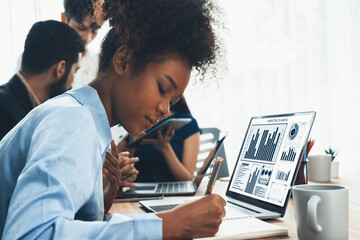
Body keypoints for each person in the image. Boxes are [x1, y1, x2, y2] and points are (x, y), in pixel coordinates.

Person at [0, 0, 225, 239]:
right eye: (162, 88)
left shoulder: (86, 120)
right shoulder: (73, 121)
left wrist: (100, 203)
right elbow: (31, 234)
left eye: (172, 101)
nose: (165, 111)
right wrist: (168, 225)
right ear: (123, 61)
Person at [0, 20, 84, 141]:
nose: (73, 81)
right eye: (75, 71)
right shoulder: (5, 112)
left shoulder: (41, 108)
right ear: (60, 68)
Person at [121, 97, 201, 182]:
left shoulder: (187, 123)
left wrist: (165, 148)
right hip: (135, 191)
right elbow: (120, 176)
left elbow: (187, 179)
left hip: (173, 192)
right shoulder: (130, 124)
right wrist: (132, 146)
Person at [61, 0, 105, 88]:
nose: (87, 38)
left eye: (94, 31)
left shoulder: (99, 65)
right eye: (81, 28)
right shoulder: (44, 57)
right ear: (64, 18)